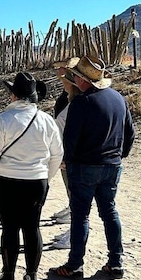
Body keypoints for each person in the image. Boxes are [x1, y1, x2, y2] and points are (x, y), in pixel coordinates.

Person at [49, 55, 135, 280]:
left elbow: (71, 137)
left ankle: (75, 264)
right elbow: (130, 133)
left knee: (81, 216)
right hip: (111, 164)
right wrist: (119, 155)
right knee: (109, 212)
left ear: (82, 79)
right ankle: (116, 261)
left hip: (84, 167)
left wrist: (67, 159)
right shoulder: (118, 99)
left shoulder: (81, 102)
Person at [0, 72, 63, 280]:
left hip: (8, 180)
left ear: (13, 95)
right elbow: (57, 154)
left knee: (9, 228)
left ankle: (8, 276)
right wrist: (47, 177)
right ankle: (32, 276)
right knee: (32, 227)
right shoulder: (47, 121)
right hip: (37, 181)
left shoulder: (4, 120)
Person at [49, 61, 83, 249]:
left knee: (77, 194)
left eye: (63, 68)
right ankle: (73, 227)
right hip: (66, 153)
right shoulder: (68, 96)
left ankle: (74, 235)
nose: (58, 71)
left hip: (71, 155)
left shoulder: (76, 100)